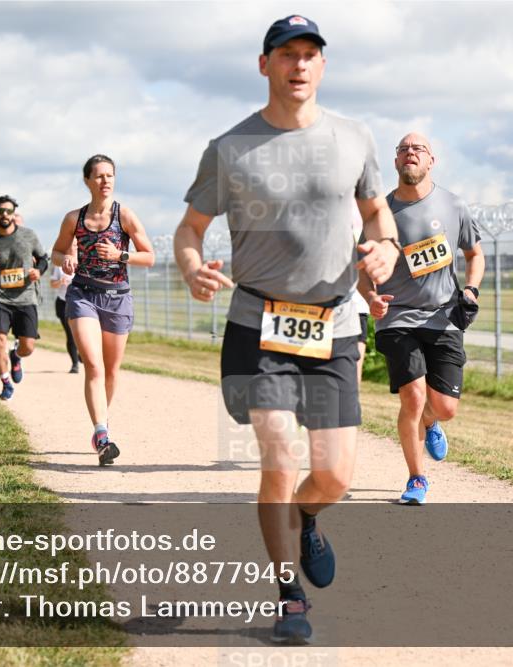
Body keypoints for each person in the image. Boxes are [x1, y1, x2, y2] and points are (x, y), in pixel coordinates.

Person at [174, 15, 399, 643]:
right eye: (286, 54)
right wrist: (191, 265)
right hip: (258, 320)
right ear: (265, 64)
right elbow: (190, 228)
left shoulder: (354, 138)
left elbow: (378, 215)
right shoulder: (231, 148)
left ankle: (307, 515)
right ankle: (289, 594)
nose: (299, 65)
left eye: (309, 55)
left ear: (322, 66)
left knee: (334, 476)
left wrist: (384, 249)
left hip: (333, 324)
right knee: (278, 450)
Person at [360, 131, 485, 505]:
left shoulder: (453, 206)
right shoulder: (379, 213)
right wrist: (370, 298)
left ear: (432, 161)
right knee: (412, 398)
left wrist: (471, 290)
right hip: (397, 317)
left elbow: (474, 255)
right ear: (396, 162)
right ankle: (417, 479)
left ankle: (431, 423)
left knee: (444, 408)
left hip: (444, 316)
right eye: (403, 149)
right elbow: (362, 267)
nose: (410, 153)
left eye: (418, 149)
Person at [52, 155, 155, 463]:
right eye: (99, 176)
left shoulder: (125, 216)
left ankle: (102, 423)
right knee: (93, 366)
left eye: (110, 175)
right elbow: (56, 251)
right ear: (87, 181)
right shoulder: (74, 218)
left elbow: (149, 256)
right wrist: (65, 260)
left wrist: (119, 254)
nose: (106, 181)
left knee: (110, 370)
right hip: (83, 293)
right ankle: (101, 434)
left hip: (117, 298)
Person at [0, 195, 49, 400]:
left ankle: (16, 355)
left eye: (9, 211)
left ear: (13, 213)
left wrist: (39, 271)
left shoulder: (28, 235)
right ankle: (6, 382)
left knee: (28, 346)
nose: (5, 215)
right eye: (1, 211)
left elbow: (43, 258)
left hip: (26, 297)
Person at [49, 260, 82, 373]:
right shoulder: (59, 265)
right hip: (63, 303)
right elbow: (52, 284)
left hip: (80, 303)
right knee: (70, 333)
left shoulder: (82, 262)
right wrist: (60, 281)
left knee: (81, 332)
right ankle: (75, 364)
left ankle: (82, 353)